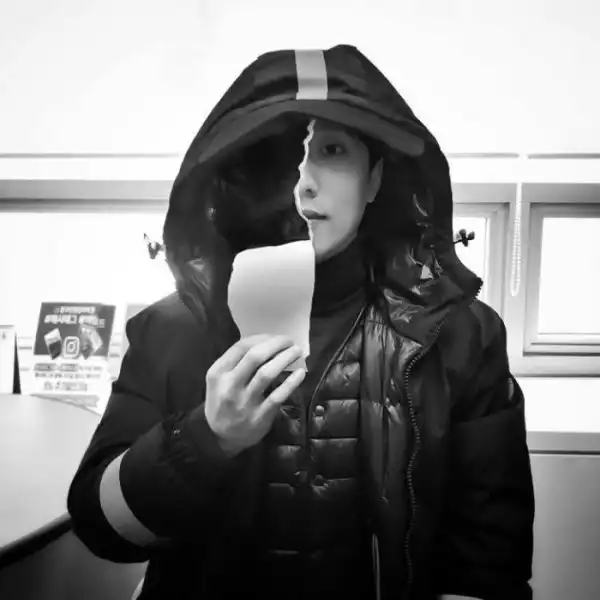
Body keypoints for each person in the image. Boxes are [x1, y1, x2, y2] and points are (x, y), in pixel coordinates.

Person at [67, 45, 535, 600]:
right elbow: (102, 528)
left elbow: (488, 561)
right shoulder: (173, 329)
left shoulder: (459, 336)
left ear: (375, 178)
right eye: (277, 155)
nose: (302, 184)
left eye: (332, 150)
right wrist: (204, 440)